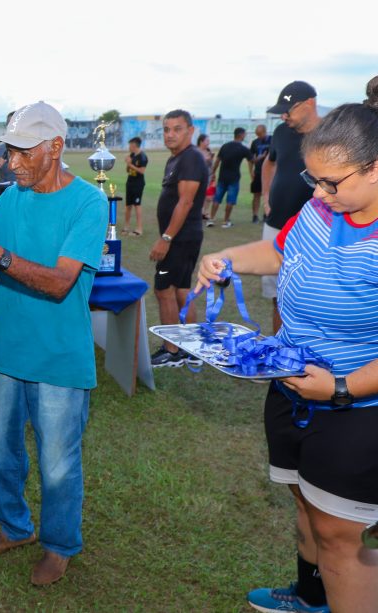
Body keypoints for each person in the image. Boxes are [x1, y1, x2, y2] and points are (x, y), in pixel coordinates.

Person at [196, 81, 378, 613]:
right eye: (312, 179)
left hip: (357, 407)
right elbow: (277, 249)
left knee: (340, 538)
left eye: (330, 183)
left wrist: (342, 386)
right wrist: (228, 257)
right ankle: (310, 596)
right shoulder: (321, 211)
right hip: (294, 391)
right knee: (306, 502)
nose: (319, 194)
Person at [0, 101, 107, 586]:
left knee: (58, 466)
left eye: (21, 153)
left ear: (56, 147)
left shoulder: (88, 203)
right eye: (8, 152)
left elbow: (60, 283)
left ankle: (59, 545)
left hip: (59, 357)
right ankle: (15, 527)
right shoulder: (14, 197)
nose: (11, 164)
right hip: (10, 355)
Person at [149, 110, 209, 368]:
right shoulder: (177, 159)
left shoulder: (191, 158)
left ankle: (172, 349)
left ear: (190, 131)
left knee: (163, 290)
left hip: (180, 238)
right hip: (182, 238)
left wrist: (166, 238)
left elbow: (185, 202)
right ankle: (192, 347)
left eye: (177, 129)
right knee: (182, 291)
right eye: (166, 129)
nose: (170, 134)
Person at [260, 81, 319, 334]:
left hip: (316, 231)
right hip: (276, 224)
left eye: (288, 109)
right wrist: (265, 197)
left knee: (309, 300)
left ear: (309, 104)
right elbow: (268, 164)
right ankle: (277, 359)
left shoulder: (333, 135)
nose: (284, 116)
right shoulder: (282, 133)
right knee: (277, 296)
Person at [207, 127, 253, 228]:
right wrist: (262, 157)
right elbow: (253, 160)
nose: (245, 136)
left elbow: (217, 161)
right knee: (230, 201)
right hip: (234, 178)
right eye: (244, 134)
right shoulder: (243, 149)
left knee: (217, 199)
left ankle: (211, 219)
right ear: (240, 135)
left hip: (222, 177)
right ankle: (225, 221)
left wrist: (213, 173)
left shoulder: (225, 146)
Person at [124, 136, 148, 236]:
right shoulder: (132, 155)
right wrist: (128, 164)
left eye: (130, 145)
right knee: (128, 205)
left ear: (134, 145)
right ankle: (126, 227)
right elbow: (128, 170)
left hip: (138, 184)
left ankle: (139, 229)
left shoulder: (143, 157)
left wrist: (130, 164)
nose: (129, 147)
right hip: (130, 182)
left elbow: (142, 171)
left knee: (137, 205)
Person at [249, 124, 271, 223]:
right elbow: (250, 159)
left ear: (265, 131)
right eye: (257, 134)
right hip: (258, 172)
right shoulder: (255, 142)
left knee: (268, 194)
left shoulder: (272, 140)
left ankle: (266, 214)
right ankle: (255, 215)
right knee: (256, 194)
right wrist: (251, 171)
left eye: (260, 134)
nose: (259, 136)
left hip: (270, 172)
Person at [197, 134, 215, 219]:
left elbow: (211, 165)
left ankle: (205, 212)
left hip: (210, 176)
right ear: (201, 141)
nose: (208, 143)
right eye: (206, 141)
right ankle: (199, 212)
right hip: (200, 177)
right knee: (200, 196)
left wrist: (213, 174)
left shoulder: (209, 151)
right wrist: (206, 160)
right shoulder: (196, 151)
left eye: (208, 141)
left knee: (209, 197)